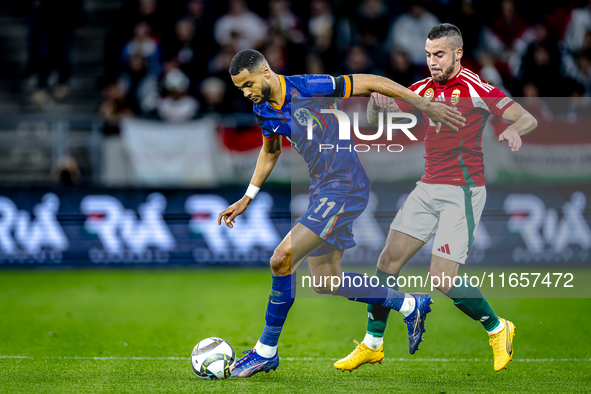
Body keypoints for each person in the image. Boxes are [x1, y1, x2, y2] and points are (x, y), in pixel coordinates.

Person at [217, 49, 465, 378]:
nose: (246, 92)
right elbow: (270, 148)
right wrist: (248, 196)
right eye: (240, 88)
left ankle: (265, 351)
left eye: (247, 84)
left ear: (265, 71)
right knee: (325, 281)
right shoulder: (262, 109)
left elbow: (371, 82)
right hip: (323, 189)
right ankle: (409, 304)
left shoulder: (309, 86)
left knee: (281, 259)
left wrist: (423, 104)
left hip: (344, 187)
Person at [334, 23, 538, 373]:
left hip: (462, 191)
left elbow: (526, 117)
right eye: (428, 55)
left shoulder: (476, 88)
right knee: (387, 263)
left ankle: (497, 327)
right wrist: (377, 106)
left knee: (442, 279)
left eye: (439, 55)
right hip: (427, 187)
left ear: (458, 53)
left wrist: (512, 129)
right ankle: (372, 344)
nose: (432, 61)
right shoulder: (422, 88)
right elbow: (375, 119)